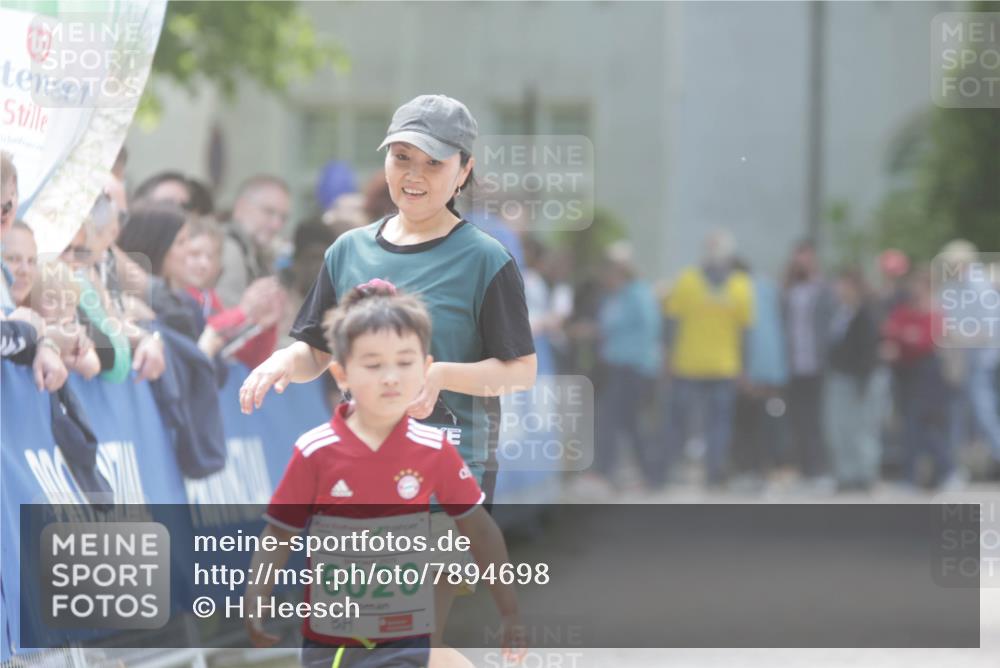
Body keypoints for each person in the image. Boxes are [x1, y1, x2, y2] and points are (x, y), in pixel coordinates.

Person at [240, 94, 536, 656]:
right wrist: (284, 360)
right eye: (402, 157)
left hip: (449, 470)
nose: (415, 175)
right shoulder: (347, 251)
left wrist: (442, 375)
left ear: (464, 170)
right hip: (360, 478)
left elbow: (521, 371)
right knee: (372, 643)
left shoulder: (486, 260)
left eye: (433, 162)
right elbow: (317, 349)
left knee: (411, 635)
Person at [244, 280, 525, 667]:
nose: (391, 377)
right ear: (341, 374)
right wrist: (256, 596)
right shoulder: (315, 451)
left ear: (425, 368)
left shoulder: (435, 450)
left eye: (405, 363)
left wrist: (508, 610)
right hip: (331, 642)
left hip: (404, 639)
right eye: (374, 365)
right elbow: (279, 533)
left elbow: (480, 530)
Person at [662, 230, 754, 487]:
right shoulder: (690, 281)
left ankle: (706, 471)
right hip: (692, 365)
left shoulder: (737, 285)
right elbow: (672, 323)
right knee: (692, 421)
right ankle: (685, 470)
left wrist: (744, 366)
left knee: (711, 423)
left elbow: (745, 332)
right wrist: (668, 356)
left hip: (716, 366)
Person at [588, 241, 662, 490]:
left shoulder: (638, 293)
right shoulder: (614, 296)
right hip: (617, 366)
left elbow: (649, 330)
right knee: (625, 421)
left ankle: (609, 472)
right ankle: (644, 474)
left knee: (617, 419)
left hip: (633, 367)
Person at [882, 268, 959, 489]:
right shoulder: (904, 311)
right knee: (909, 427)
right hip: (906, 375)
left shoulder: (935, 313)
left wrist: (904, 336)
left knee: (927, 427)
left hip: (929, 375)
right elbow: (890, 330)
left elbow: (924, 341)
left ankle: (946, 470)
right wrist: (906, 335)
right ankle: (911, 476)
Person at [182, 218, 285, 368]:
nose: (204, 264)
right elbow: (202, 337)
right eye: (195, 254)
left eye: (210, 257)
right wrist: (243, 311)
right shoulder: (175, 293)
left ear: (219, 264)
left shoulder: (209, 298)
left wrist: (264, 327)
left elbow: (252, 360)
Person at [730, 257, 788, 489]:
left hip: (752, 366)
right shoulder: (768, 288)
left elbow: (747, 332)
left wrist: (744, 369)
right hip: (773, 366)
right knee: (768, 418)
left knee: (747, 421)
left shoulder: (740, 290)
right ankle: (767, 469)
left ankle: (750, 470)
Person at [782, 239, 834, 488]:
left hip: (817, 364)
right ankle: (804, 469)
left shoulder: (824, 289)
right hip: (794, 365)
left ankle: (819, 469)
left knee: (817, 419)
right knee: (798, 419)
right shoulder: (789, 289)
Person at [823, 268, 881, 492]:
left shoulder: (866, 313)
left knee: (863, 427)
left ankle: (865, 473)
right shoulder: (841, 313)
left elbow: (868, 349)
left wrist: (863, 380)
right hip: (840, 377)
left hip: (861, 378)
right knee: (839, 428)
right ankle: (845, 473)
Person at [216, 174, 291, 309]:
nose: (277, 225)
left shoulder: (259, 253)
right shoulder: (229, 250)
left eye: (283, 218)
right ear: (240, 207)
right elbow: (230, 320)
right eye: (269, 212)